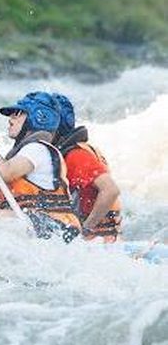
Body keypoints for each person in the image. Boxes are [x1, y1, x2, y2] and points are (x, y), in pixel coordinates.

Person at [0, 91, 81, 242]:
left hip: (59, 228)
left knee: (0, 218)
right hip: (42, 224)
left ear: (40, 117)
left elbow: (6, 173)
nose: (11, 118)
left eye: (18, 113)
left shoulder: (38, 149)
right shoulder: (26, 152)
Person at [51, 93, 122, 242]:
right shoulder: (77, 150)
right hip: (103, 237)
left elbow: (111, 190)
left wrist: (86, 229)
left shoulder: (76, 155)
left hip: (97, 241)